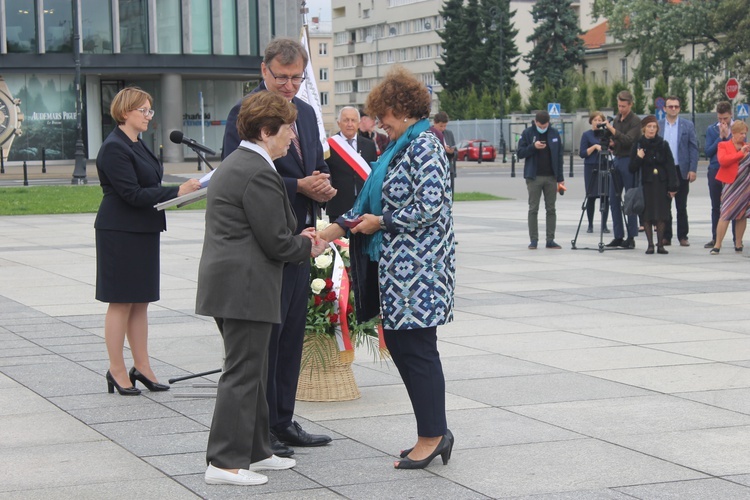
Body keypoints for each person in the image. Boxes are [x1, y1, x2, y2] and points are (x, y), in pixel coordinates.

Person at [319, 66, 455, 470]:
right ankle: (433, 430)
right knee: (401, 344)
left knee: (417, 349)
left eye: (385, 116)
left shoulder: (424, 146)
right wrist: (334, 228)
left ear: (404, 108)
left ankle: (433, 435)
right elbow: (370, 201)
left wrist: (384, 223)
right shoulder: (397, 147)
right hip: (397, 268)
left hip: (420, 271)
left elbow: (432, 207)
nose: (379, 124)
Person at [198, 91, 327, 486]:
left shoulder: (243, 163)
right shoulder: (257, 170)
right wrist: (310, 243)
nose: (293, 136)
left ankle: (256, 451)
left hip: (238, 283)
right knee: (242, 374)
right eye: (287, 128)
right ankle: (223, 462)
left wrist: (296, 235)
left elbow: (265, 231)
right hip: (245, 287)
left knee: (254, 371)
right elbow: (277, 243)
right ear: (267, 130)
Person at [221, 37, 335, 457]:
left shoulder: (304, 112)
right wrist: (297, 185)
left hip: (301, 236)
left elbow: (313, 163)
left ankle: (283, 420)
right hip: (266, 242)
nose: (289, 86)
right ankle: (261, 427)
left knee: (290, 336)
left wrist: (320, 183)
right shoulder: (246, 112)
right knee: (265, 340)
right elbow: (239, 172)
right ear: (263, 71)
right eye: (281, 77)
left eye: (296, 78)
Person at [94, 87, 201, 396]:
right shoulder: (114, 147)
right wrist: (176, 192)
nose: (148, 116)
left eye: (150, 111)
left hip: (143, 229)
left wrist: (182, 193)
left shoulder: (138, 144)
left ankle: (142, 366)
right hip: (120, 231)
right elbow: (131, 193)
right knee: (121, 301)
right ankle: (116, 368)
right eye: (144, 111)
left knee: (141, 301)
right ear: (125, 112)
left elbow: (149, 184)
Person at [628, 115, 678, 255]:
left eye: (654, 127)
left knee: (662, 214)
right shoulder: (638, 144)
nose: (651, 129)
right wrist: (639, 157)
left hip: (661, 183)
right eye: (649, 127)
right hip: (646, 183)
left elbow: (670, 166)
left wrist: (673, 186)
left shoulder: (663, 144)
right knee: (648, 215)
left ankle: (660, 244)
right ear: (644, 129)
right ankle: (650, 244)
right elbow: (631, 168)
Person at [517, 110, 565, 249]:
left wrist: (560, 178)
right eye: (540, 126)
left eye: (545, 126)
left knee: (551, 209)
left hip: (551, 177)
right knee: (533, 208)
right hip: (534, 177)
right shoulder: (528, 133)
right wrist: (533, 147)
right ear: (536, 122)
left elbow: (559, 156)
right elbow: (520, 152)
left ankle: (550, 239)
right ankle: (534, 240)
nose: (543, 128)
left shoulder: (554, 133)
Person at [658, 96, 699, 247]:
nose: (673, 109)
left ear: (680, 108)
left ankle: (683, 235)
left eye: (676, 106)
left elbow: (693, 147)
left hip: (681, 169)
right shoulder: (659, 125)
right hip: (664, 170)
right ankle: (666, 236)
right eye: (670, 106)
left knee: (681, 205)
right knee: (664, 204)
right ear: (665, 108)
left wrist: (692, 169)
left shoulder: (687, 125)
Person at [325, 106, 377, 221]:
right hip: (338, 205)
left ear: (358, 123)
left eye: (353, 120)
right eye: (346, 120)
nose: (349, 124)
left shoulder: (369, 145)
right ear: (339, 123)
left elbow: (373, 174)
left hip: (363, 207)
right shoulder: (328, 145)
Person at [604, 90, 642, 249]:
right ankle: (618, 235)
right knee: (613, 198)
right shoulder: (617, 119)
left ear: (630, 104)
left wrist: (612, 130)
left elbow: (629, 140)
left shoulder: (635, 121)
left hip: (629, 161)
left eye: (624, 106)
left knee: (630, 198)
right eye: (619, 106)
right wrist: (612, 143)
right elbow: (618, 140)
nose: (621, 109)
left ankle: (631, 236)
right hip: (617, 159)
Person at [711, 121, 750, 255]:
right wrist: (740, 154)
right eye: (741, 133)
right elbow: (723, 161)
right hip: (730, 185)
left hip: (745, 186)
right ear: (733, 133)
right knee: (725, 214)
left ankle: (738, 243)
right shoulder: (723, 145)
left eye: (745, 133)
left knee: (742, 215)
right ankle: (717, 244)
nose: (744, 136)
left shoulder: (747, 147)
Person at [704, 101, 734, 248]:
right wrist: (720, 138)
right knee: (716, 206)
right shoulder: (711, 130)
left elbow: (740, 149)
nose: (723, 122)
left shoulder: (737, 128)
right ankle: (716, 238)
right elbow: (708, 151)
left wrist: (728, 136)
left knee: (735, 205)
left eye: (726, 119)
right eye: (720, 119)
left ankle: (737, 239)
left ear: (731, 115)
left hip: (733, 170)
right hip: (716, 169)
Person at [579, 111, 611, 234]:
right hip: (591, 166)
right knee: (591, 196)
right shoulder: (586, 135)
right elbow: (582, 153)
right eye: (595, 120)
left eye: (600, 120)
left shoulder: (605, 134)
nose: (597, 122)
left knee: (605, 196)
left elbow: (610, 148)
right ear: (591, 121)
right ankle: (590, 224)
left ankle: (604, 225)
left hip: (604, 165)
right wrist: (594, 147)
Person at [432, 111, 457, 194]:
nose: (443, 128)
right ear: (434, 123)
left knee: (449, 194)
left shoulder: (449, 134)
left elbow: (456, 152)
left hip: (449, 169)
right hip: (435, 170)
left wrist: (451, 152)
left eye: (445, 126)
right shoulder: (429, 134)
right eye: (441, 126)